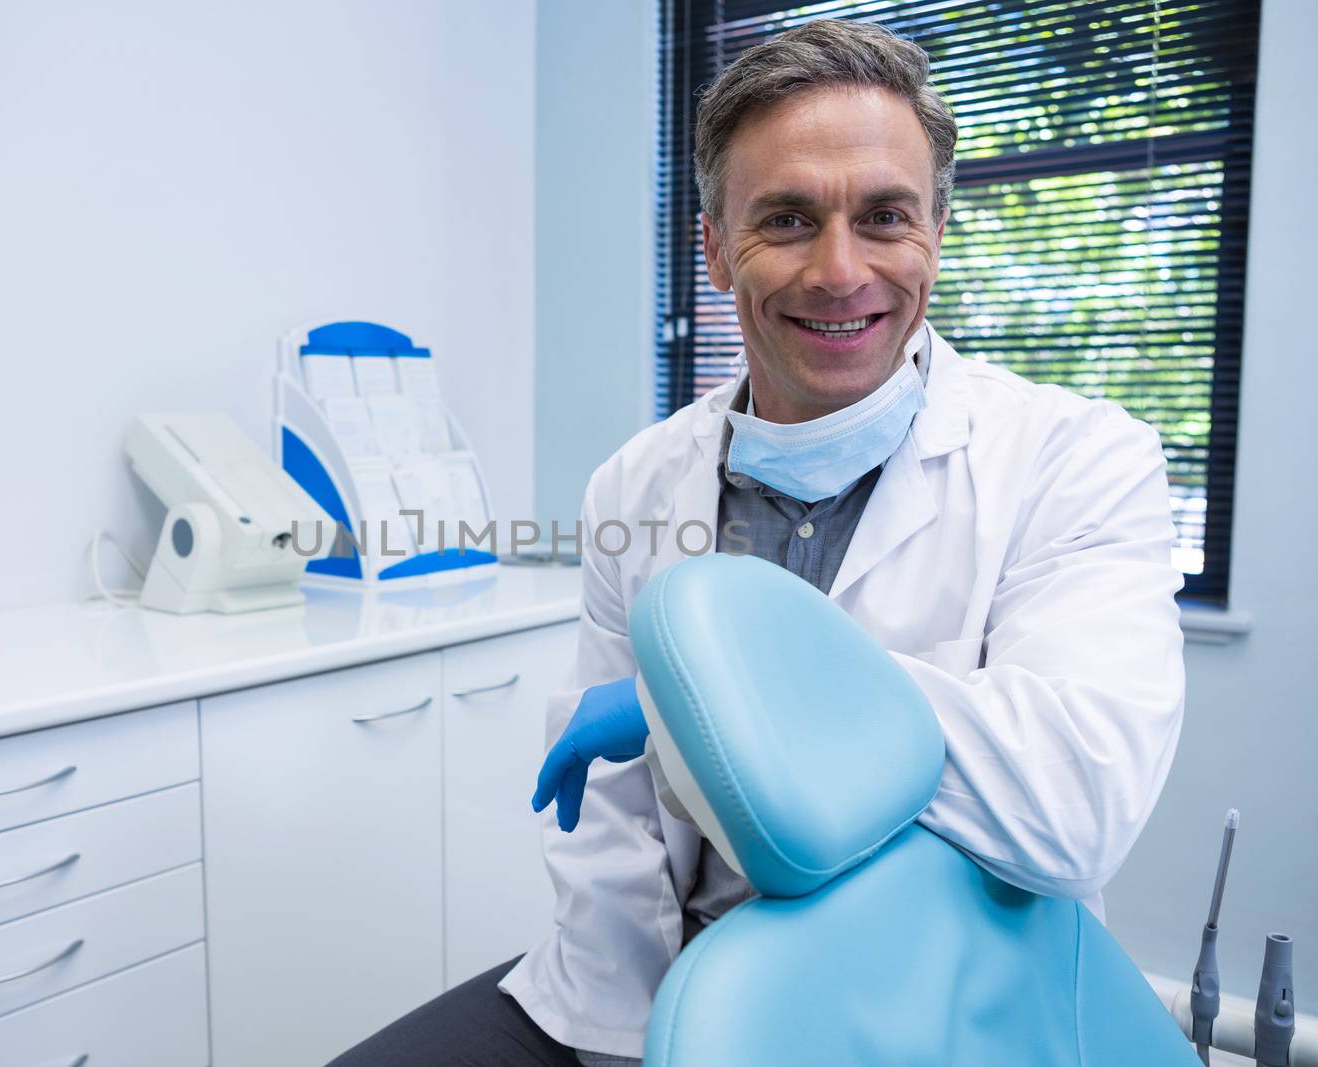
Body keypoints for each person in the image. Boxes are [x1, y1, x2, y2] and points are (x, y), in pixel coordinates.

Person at [330, 18, 1185, 1067]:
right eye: (785, 218)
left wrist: (704, 701)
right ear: (715, 245)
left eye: (883, 216)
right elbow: (612, 827)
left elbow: (1072, 797)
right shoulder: (636, 481)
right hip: (669, 978)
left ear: (937, 231)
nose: (839, 270)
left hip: (933, 1001)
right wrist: (621, 1040)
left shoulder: (1077, 459)